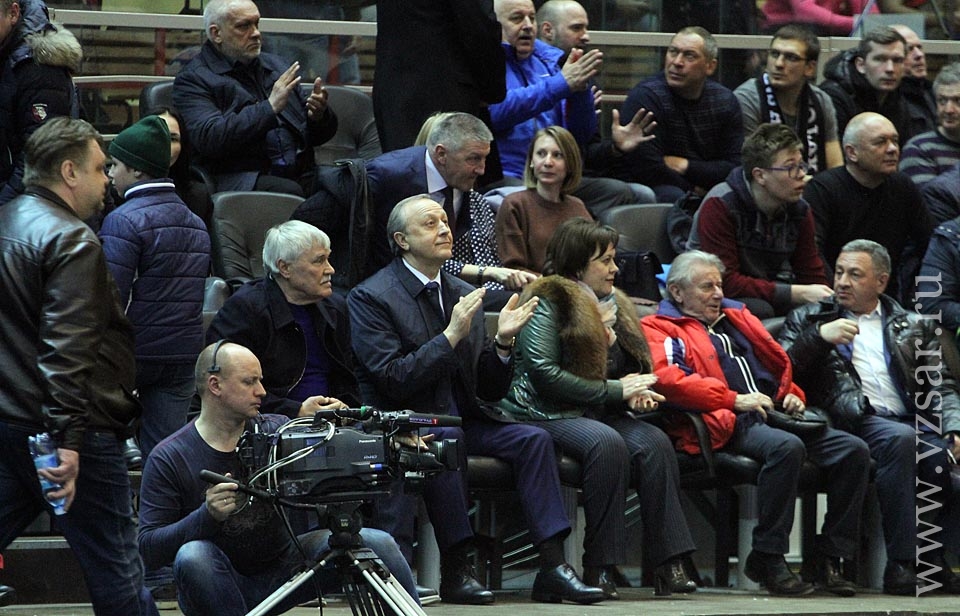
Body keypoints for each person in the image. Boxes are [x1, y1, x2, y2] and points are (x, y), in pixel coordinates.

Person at [348, 195, 606, 605]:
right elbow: (393, 378)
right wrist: (450, 336)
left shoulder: (462, 291)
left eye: (445, 221)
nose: (444, 229)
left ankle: (553, 567)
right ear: (401, 240)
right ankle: (457, 568)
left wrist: (502, 344)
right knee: (449, 440)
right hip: (410, 423)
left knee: (534, 440)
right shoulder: (372, 296)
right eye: (430, 223)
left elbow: (488, 390)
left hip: (467, 417)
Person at [641, 250, 871, 597]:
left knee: (854, 451)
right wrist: (733, 399)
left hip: (773, 412)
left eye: (719, 285)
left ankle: (829, 556)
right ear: (677, 292)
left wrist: (792, 393)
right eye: (707, 287)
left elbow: (776, 366)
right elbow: (670, 382)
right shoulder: (660, 327)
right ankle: (769, 556)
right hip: (725, 418)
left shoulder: (736, 317)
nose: (718, 293)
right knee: (786, 447)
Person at [0, 116, 157, 615]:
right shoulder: (72, 239)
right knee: (118, 574)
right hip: (71, 432)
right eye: (98, 167)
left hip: (10, 423)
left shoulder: (4, 222)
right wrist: (67, 440)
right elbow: (65, 350)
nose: (107, 178)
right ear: (69, 172)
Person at [137, 341, 419, 615]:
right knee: (193, 556)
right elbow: (147, 548)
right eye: (249, 382)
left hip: (287, 567)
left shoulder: (278, 432)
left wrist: (389, 444)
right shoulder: (170, 456)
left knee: (378, 543)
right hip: (216, 578)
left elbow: (341, 448)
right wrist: (206, 516)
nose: (261, 391)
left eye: (260, 381)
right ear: (215, 385)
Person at [497, 217, 699, 599]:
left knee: (655, 442)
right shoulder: (548, 299)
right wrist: (616, 390)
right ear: (577, 264)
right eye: (605, 260)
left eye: (614, 259)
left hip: (594, 408)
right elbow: (544, 374)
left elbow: (625, 368)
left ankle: (669, 562)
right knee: (606, 443)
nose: (615, 268)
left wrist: (633, 389)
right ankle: (600, 566)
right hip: (544, 410)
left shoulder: (614, 303)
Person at [779, 239, 960, 594]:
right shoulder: (810, 317)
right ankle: (902, 566)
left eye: (855, 274)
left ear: (881, 281)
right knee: (903, 441)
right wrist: (819, 338)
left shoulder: (913, 325)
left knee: (942, 456)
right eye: (839, 273)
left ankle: (931, 557)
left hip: (908, 419)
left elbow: (941, 385)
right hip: (853, 418)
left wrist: (955, 426)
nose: (842, 282)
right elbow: (780, 370)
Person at [308, 112, 537, 309]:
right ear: (441, 154)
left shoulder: (461, 182)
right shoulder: (385, 175)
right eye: (474, 159)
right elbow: (310, 219)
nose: (481, 169)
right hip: (383, 291)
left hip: (439, 282)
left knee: (531, 300)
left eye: (484, 158)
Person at [99, 115, 211, 460]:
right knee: (164, 458)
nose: (109, 174)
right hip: (182, 356)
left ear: (136, 170)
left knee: (109, 458)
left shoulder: (122, 220)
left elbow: (110, 300)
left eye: (114, 165)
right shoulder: (196, 222)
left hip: (133, 356)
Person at [488, 0, 657, 215]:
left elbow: (580, 136)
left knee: (638, 195)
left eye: (531, 18)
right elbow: (495, 113)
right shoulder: (488, 62)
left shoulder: (550, 62)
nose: (528, 25)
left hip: (557, 175)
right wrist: (561, 85)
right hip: (510, 174)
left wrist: (580, 91)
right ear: (495, 24)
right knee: (527, 201)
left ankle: (591, 236)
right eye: (517, 18)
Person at [172, 0, 338, 195]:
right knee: (290, 191)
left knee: (347, 183)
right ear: (216, 34)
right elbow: (209, 138)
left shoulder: (276, 66)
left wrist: (318, 116)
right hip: (239, 176)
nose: (256, 33)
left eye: (256, 24)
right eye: (244, 26)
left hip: (299, 170)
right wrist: (269, 108)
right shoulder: (193, 79)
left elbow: (312, 137)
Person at [207, 220, 360, 419]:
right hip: (270, 423)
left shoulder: (335, 307)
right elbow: (230, 388)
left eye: (328, 259)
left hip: (332, 422)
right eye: (319, 261)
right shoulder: (245, 310)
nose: (330, 269)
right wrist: (296, 411)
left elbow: (349, 377)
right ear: (285, 268)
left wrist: (348, 411)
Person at [687, 124, 832, 319]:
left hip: (763, 289)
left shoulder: (800, 209)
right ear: (760, 175)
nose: (801, 175)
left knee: (819, 310)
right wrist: (795, 293)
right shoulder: (720, 204)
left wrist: (826, 302)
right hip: (711, 294)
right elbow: (725, 282)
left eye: (801, 165)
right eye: (790, 167)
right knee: (760, 309)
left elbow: (811, 272)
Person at [803, 112, 932, 302]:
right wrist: (837, 297)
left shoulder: (903, 187)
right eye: (880, 142)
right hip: (836, 295)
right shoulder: (823, 190)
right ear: (852, 153)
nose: (892, 149)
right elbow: (813, 254)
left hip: (888, 298)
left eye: (895, 141)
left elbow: (929, 245)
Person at [614, 26, 744, 202]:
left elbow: (735, 166)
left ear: (710, 66)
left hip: (705, 185)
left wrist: (686, 166)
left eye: (689, 56)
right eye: (673, 52)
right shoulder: (646, 97)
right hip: (657, 187)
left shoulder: (725, 100)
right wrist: (692, 190)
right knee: (675, 197)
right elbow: (648, 167)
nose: (677, 62)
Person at [373, 0, 506, 161]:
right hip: (444, 92)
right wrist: (492, 89)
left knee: (401, 169)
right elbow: (479, 26)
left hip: (393, 89)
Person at [0, 0, 82, 206]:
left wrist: (4, 208)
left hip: (24, 203)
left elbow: (40, 157)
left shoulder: (39, 68)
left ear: (13, 13)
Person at [734, 25, 843, 173]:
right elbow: (751, 166)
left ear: (810, 68)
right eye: (774, 54)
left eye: (791, 57)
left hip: (812, 183)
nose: (779, 64)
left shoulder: (821, 100)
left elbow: (835, 166)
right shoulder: (748, 98)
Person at [495, 126, 592, 274]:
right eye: (541, 154)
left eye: (557, 155)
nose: (548, 162)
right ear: (531, 161)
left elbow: (593, 261)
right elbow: (512, 269)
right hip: (535, 286)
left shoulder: (577, 207)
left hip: (577, 285)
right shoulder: (515, 204)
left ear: (570, 163)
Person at [819, 27, 913, 146]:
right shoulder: (833, 96)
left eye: (897, 60)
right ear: (861, 65)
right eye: (880, 59)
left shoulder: (898, 95)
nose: (890, 69)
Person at [900, 61, 960, 187]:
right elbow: (930, 198)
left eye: (958, 101)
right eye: (942, 101)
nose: (948, 110)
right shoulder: (919, 149)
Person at [890, 24, 937, 139]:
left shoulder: (932, 92)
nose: (919, 55)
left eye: (919, 47)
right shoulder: (890, 99)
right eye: (909, 49)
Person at [761, 0, 878, 36]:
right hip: (781, 27)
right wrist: (853, 23)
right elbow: (805, 11)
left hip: (824, 27)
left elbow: (868, 9)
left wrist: (869, 23)